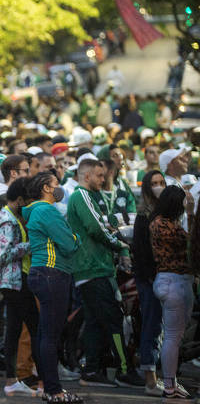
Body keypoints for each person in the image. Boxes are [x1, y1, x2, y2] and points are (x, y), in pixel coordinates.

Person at [66, 159, 142, 387]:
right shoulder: (82, 196)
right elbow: (95, 228)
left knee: (94, 322)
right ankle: (124, 370)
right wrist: (120, 245)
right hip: (94, 269)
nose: (103, 179)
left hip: (92, 269)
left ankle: (92, 371)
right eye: (99, 175)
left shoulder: (85, 197)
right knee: (113, 320)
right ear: (87, 176)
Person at [23, 172, 81, 404]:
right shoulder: (46, 210)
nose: (60, 189)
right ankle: (54, 391)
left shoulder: (36, 211)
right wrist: (76, 237)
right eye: (56, 184)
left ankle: (49, 387)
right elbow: (69, 244)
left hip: (43, 273)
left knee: (44, 334)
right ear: (46, 188)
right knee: (50, 335)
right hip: (51, 272)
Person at [0, 178, 38, 397]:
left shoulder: (9, 217)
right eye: (27, 201)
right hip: (12, 281)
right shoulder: (8, 221)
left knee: (15, 328)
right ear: (19, 200)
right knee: (32, 326)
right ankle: (28, 378)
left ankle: (12, 380)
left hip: (14, 280)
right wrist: (31, 246)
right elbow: (4, 254)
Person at [150, 185, 197, 400]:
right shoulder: (165, 225)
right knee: (172, 337)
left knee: (172, 336)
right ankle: (169, 385)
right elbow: (192, 242)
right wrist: (191, 213)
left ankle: (170, 383)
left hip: (169, 282)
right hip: (174, 282)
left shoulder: (159, 222)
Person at [131, 169, 165, 397]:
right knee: (152, 326)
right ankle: (150, 379)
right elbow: (141, 252)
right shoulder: (144, 216)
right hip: (150, 279)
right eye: (154, 183)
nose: (159, 186)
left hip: (163, 278)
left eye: (161, 182)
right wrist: (152, 276)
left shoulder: (168, 212)